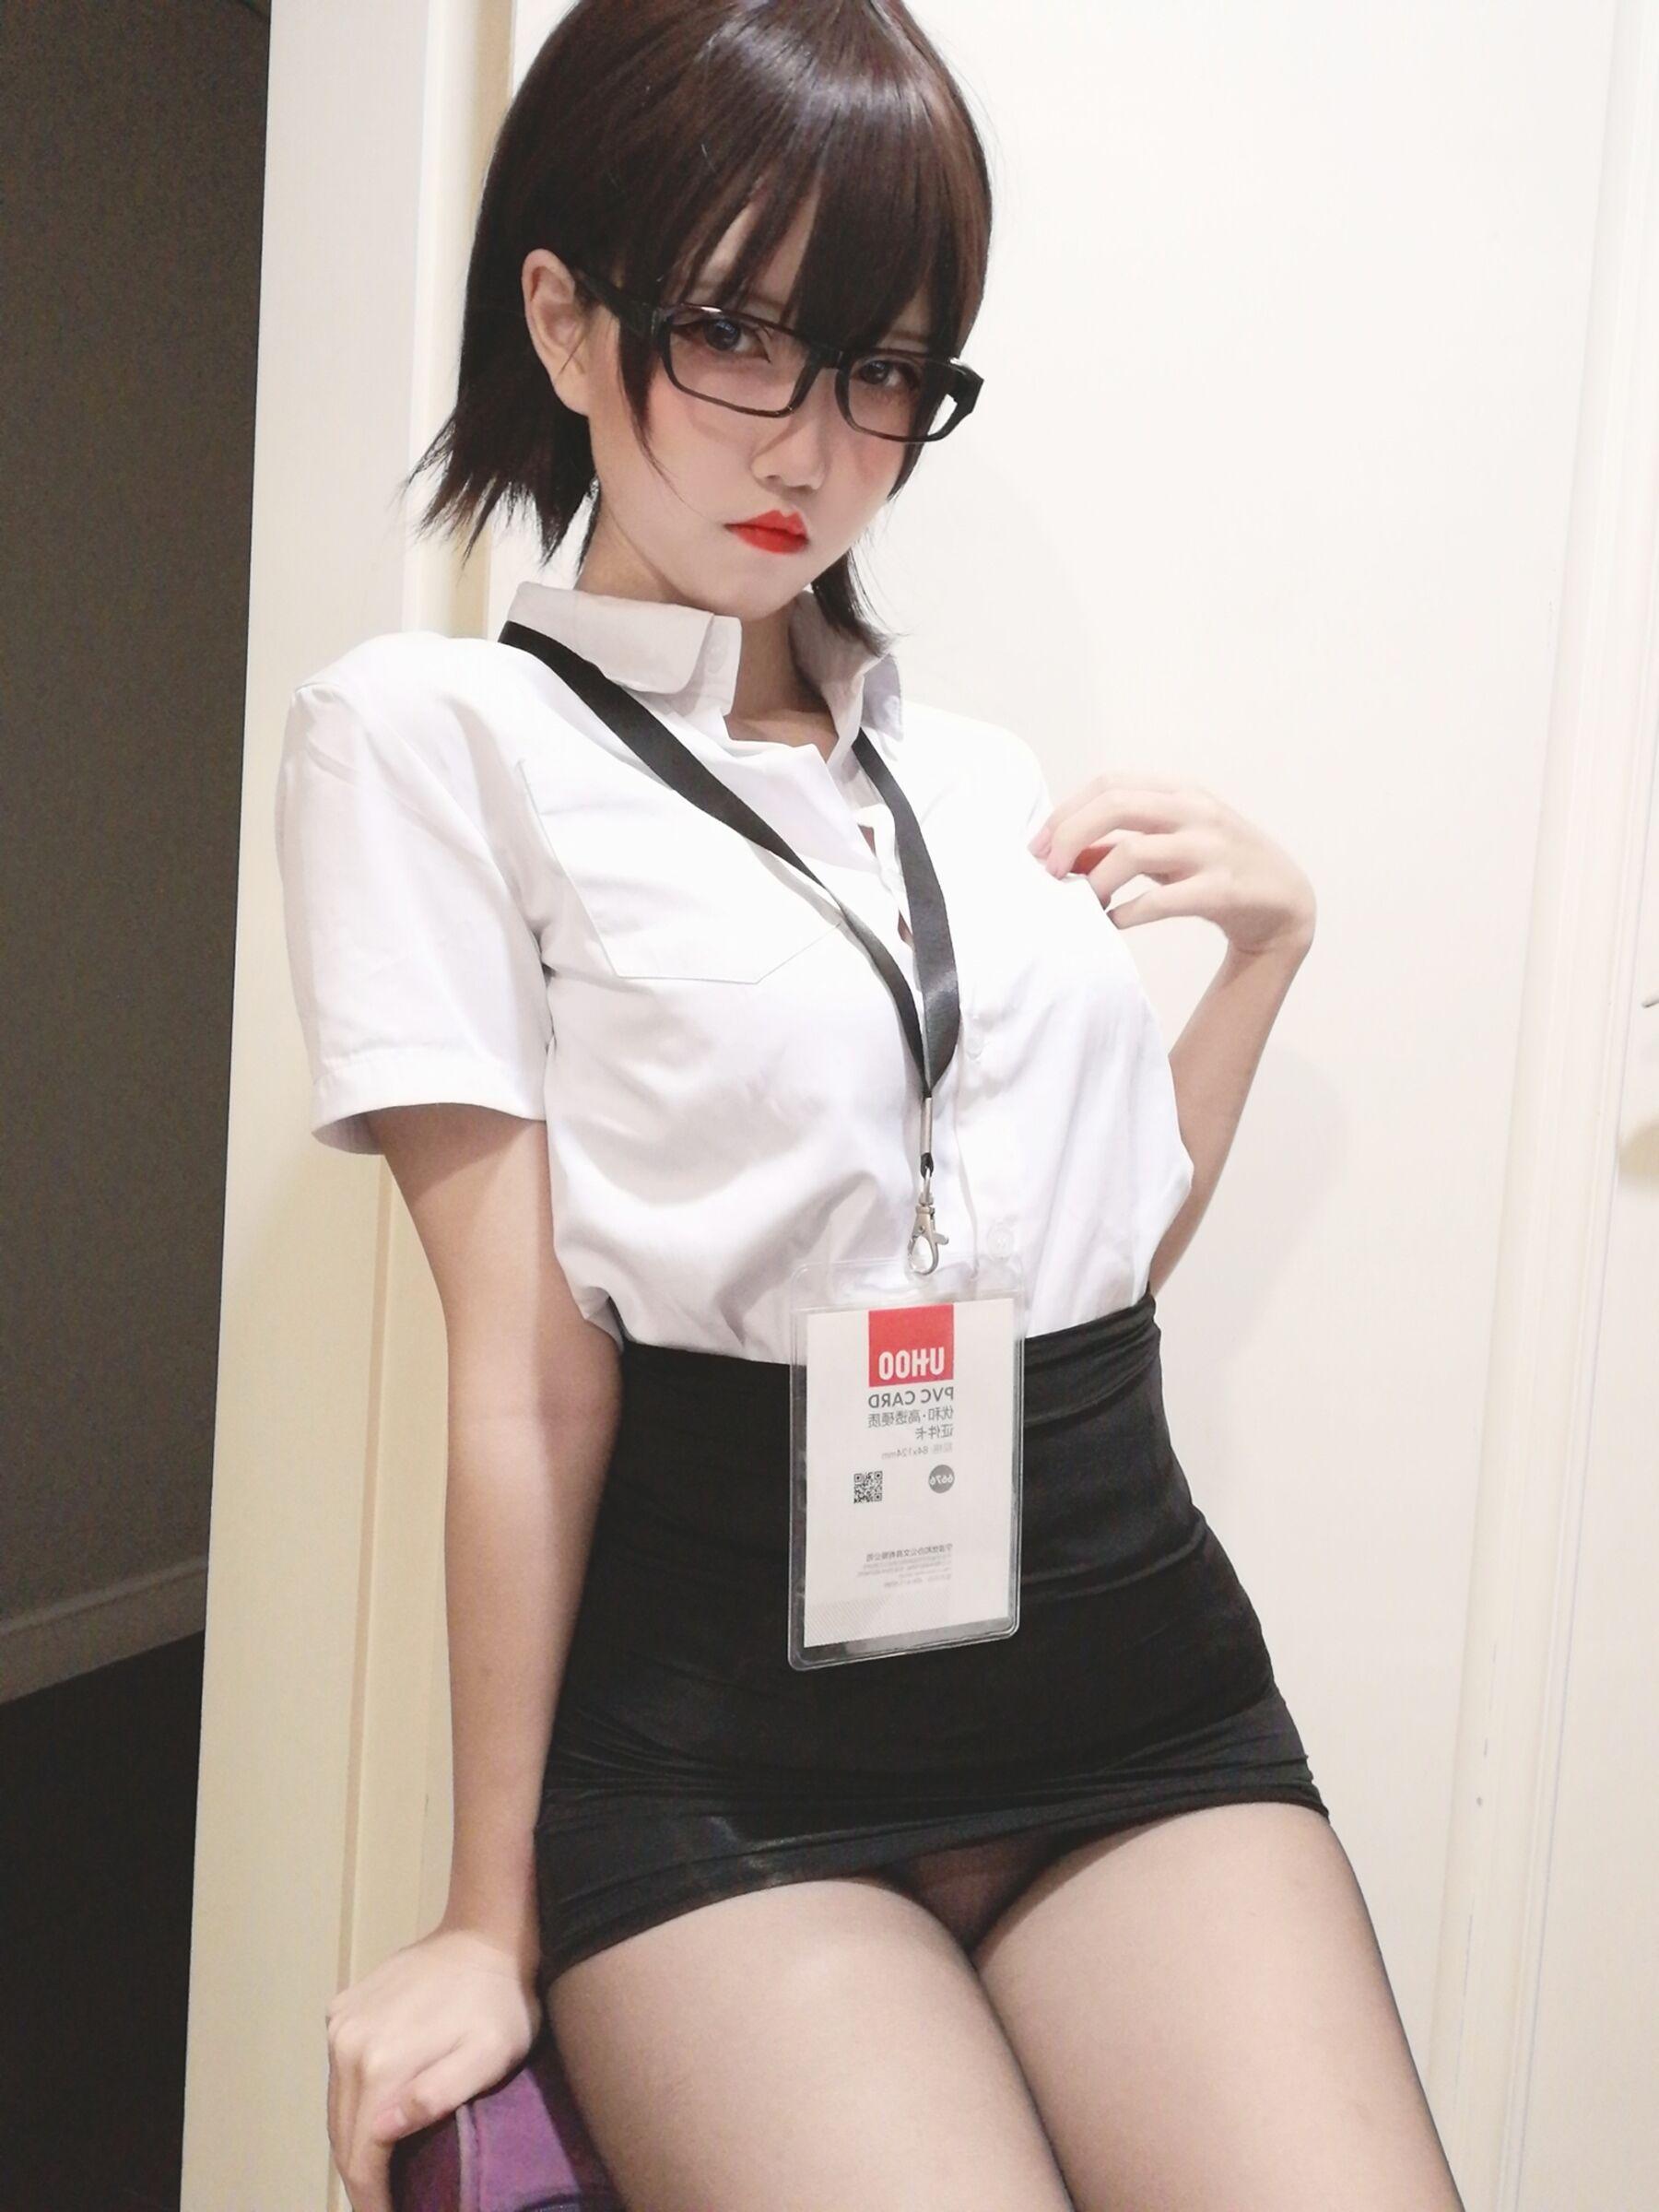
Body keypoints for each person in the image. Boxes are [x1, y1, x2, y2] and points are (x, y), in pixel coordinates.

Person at [275, 3, 1468, 2208]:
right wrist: (483, 1909)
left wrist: (1262, 967)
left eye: (885, 370)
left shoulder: (971, 776)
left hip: (1131, 1679)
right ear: (565, 318)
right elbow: (526, 1380)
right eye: (741, 336)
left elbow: (1075, 1257)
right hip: (729, 1751)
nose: (817, 447)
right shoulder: (432, 744)